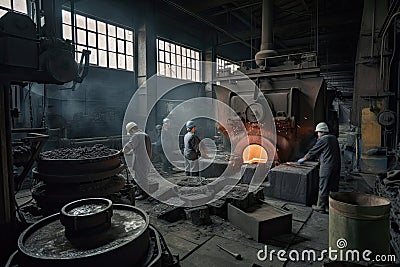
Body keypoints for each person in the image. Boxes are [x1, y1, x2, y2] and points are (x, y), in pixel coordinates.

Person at [297, 122, 341, 213]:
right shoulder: (333, 138)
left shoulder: (323, 139)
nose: (317, 134)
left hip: (327, 167)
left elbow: (312, 151)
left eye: (318, 132)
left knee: (323, 187)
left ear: (321, 132)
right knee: (332, 188)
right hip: (336, 166)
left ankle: (320, 206)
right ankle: (330, 207)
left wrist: (303, 159)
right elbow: (328, 151)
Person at [123, 122, 152, 200]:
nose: (130, 134)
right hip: (143, 159)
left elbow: (130, 145)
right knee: (138, 177)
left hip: (140, 161)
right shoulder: (143, 134)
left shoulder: (137, 135)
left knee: (142, 178)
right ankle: (140, 191)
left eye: (130, 132)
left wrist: (123, 151)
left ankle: (144, 194)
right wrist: (130, 153)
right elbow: (139, 148)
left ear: (132, 129)